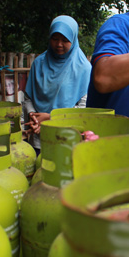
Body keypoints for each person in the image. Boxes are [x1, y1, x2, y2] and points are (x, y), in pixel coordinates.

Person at [22, 15, 92, 153]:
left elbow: (83, 108)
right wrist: (34, 117)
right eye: (55, 39)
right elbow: (28, 97)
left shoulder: (83, 68)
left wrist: (50, 118)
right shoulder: (39, 63)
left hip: (68, 138)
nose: (59, 44)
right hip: (39, 136)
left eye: (65, 40)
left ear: (73, 39)